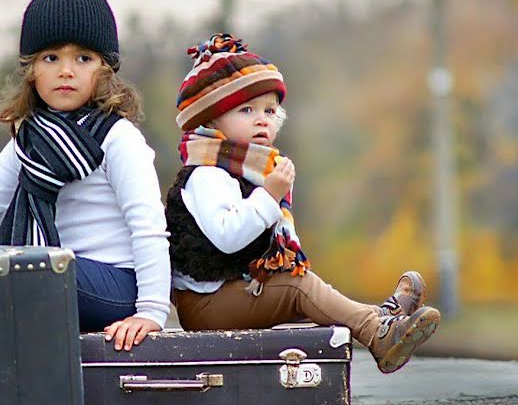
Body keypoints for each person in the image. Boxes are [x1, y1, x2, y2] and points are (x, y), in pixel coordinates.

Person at [0, 0, 171, 352]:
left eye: (84, 58)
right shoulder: (29, 140)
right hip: (54, 273)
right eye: (51, 57)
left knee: (17, 270)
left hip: (116, 285)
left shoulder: (119, 139)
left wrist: (152, 312)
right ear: (32, 71)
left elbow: (149, 227)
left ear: (105, 70)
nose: (66, 71)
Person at [166, 33, 439, 373]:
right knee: (298, 285)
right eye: (246, 110)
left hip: (230, 291)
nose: (262, 119)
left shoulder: (248, 169)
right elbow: (227, 235)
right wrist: (270, 195)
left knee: (313, 293)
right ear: (210, 120)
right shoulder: (207, 173)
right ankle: (377, 332)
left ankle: (381, 319)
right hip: (206, 303)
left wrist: (267, 190)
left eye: (269, 110)